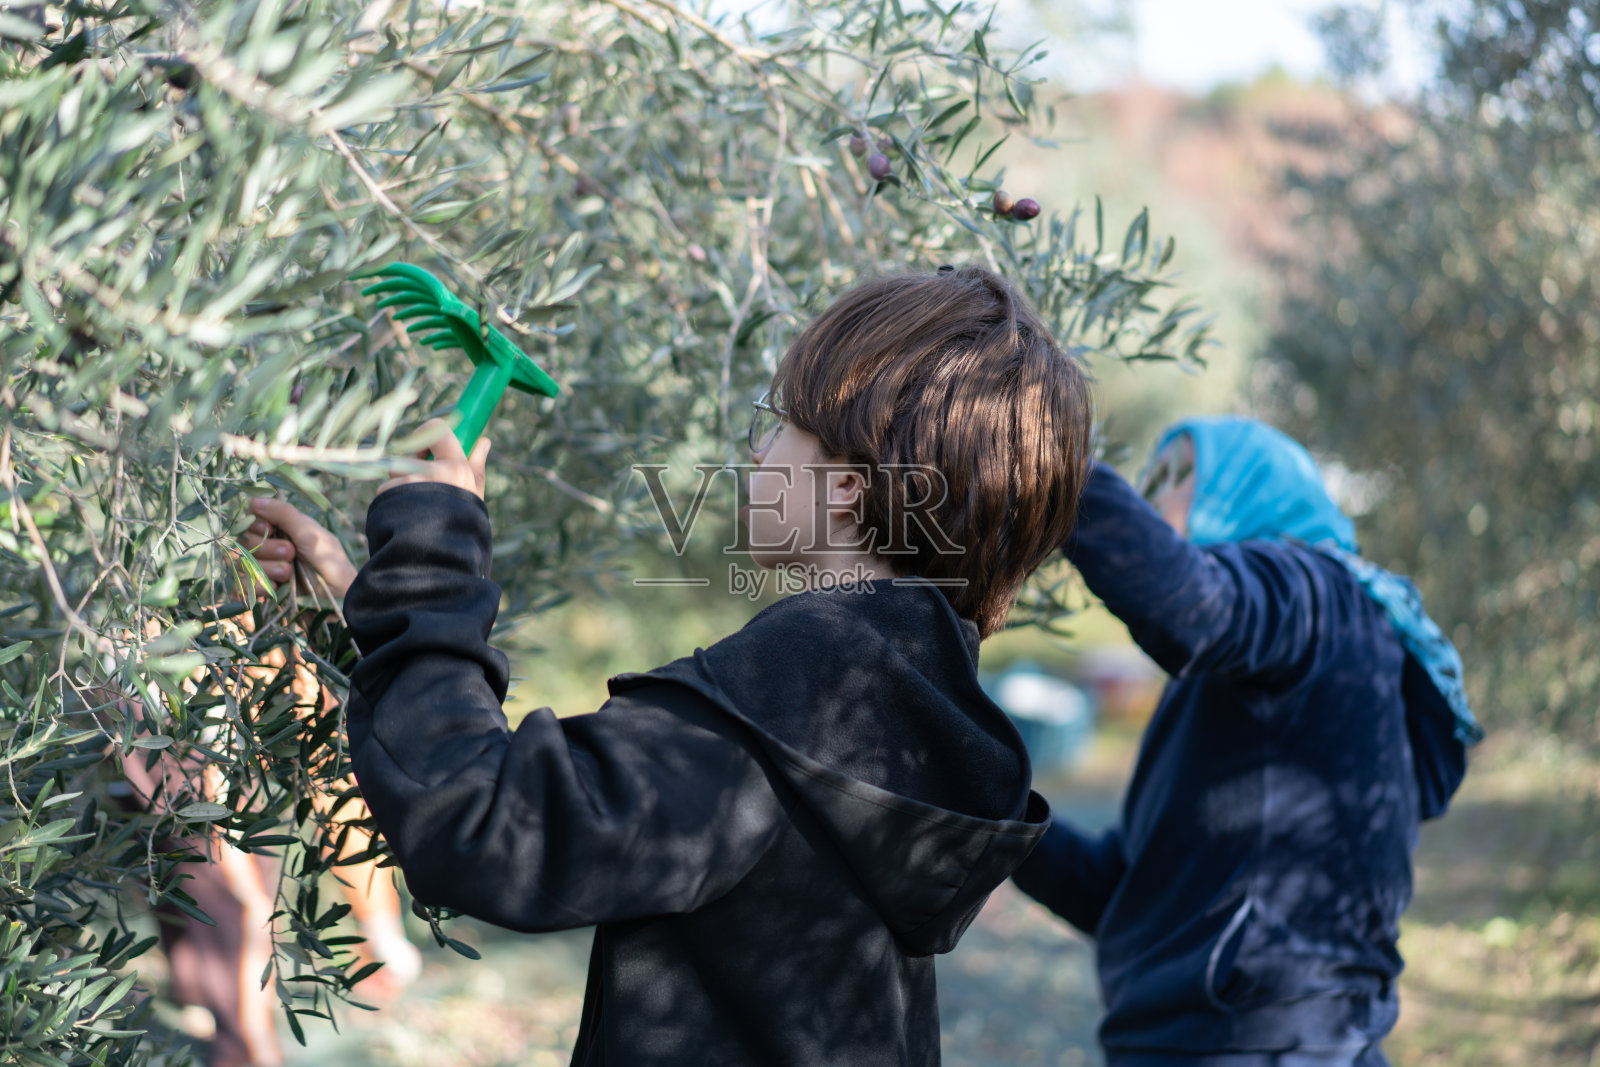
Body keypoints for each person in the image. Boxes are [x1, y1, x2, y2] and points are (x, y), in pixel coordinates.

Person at [252, 266, 1095, 1066]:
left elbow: (485, 827)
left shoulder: (790, 702)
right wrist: (383, 608)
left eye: (778, 422)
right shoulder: (906, 707)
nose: (757, 454)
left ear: (847, 482)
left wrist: (434, 544)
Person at [1013, 416, 1484, 1067]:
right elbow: (1123, 892)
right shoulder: (1233, 677)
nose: (1153, 497)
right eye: (1148, 479)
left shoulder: (1316, 593)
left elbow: (1191, 607)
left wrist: (1057, 462)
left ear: (1250, 486)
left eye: (1179, 475)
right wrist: (993, 797)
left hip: (1266, 1045)